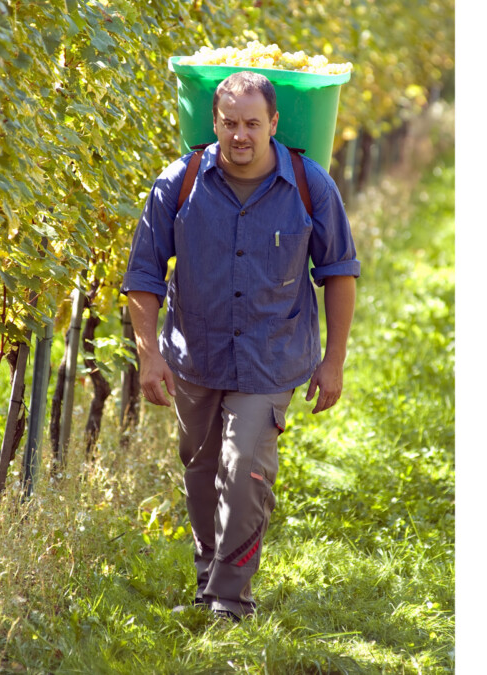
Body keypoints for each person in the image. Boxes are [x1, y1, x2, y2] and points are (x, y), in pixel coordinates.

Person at [121, 71, 359, 621]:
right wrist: (149, 354)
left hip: (272, 357)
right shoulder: (178, 183)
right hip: (195, 354)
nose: (241, 135)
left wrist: (334, 361)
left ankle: (230, 601)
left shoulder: (309, 185)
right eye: (230, 123)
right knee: (201, 471)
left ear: (274, 123)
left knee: (245, 465)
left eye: (253, 123)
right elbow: (143, 275)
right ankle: (210, 582)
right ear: (214, 124)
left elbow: (340, 273)